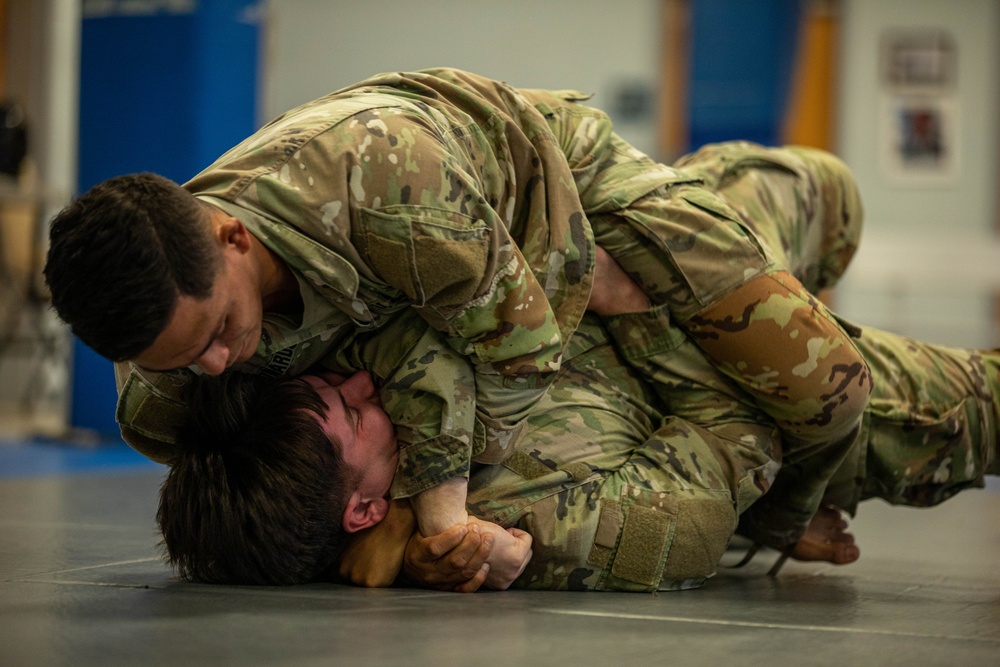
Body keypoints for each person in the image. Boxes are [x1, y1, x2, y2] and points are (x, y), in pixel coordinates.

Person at [45, 68, 870, 562]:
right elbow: (394, 354)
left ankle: (780, 518)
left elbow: (522, 349)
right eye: (182, 360)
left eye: (219, 334)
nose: (219, 369)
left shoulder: (385, 182)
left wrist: (427, 506)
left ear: (232, 237)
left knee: (831, 390)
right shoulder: (157, 381)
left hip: (557, 185)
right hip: (460, 274)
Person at [156, 304, 999, 592]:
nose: (367, 381)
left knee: (827, 188)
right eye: (351, 409)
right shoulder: (535, 519)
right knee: (983, 408)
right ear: (362, 507)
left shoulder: (302, 387)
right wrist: (630, 305)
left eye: (340, 379)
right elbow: (739, 439)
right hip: (760, 370)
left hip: (658, 258)